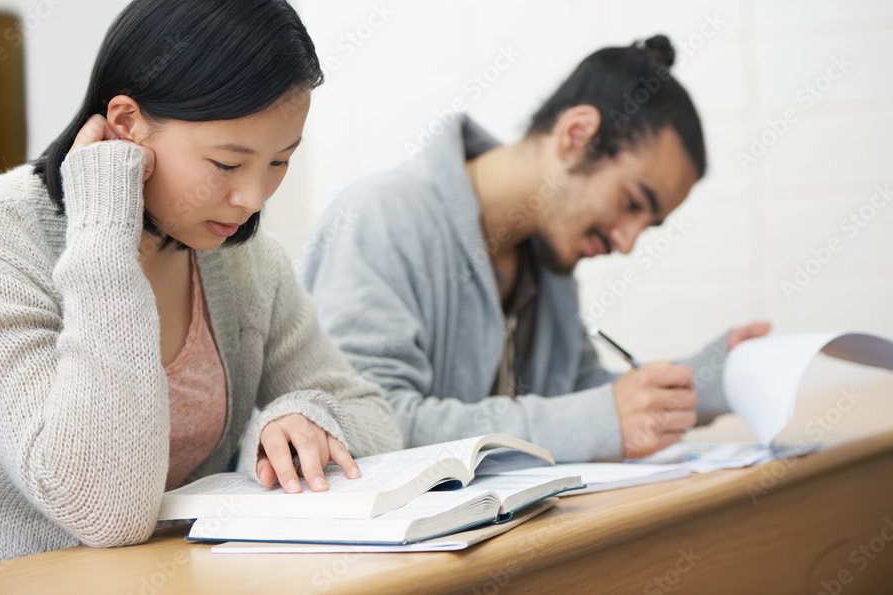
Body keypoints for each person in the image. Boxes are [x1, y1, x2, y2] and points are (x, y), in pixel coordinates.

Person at [0, 0, 401, 579]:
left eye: (279, 162)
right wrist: (106, 228)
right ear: (127, 123)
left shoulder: (237, 256)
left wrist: (306, 416)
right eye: (226, 163)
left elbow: (376, 419)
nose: (252, 199)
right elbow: (107, 511)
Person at [300, 35, 770, 463]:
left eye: (648, 225)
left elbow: (581, 395)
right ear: (576, 136)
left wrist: (711, 379)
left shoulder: (547, 261)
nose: (626, 243)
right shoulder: (383, 216)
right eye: (631, 203)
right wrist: (597, 422)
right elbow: (364, 424)